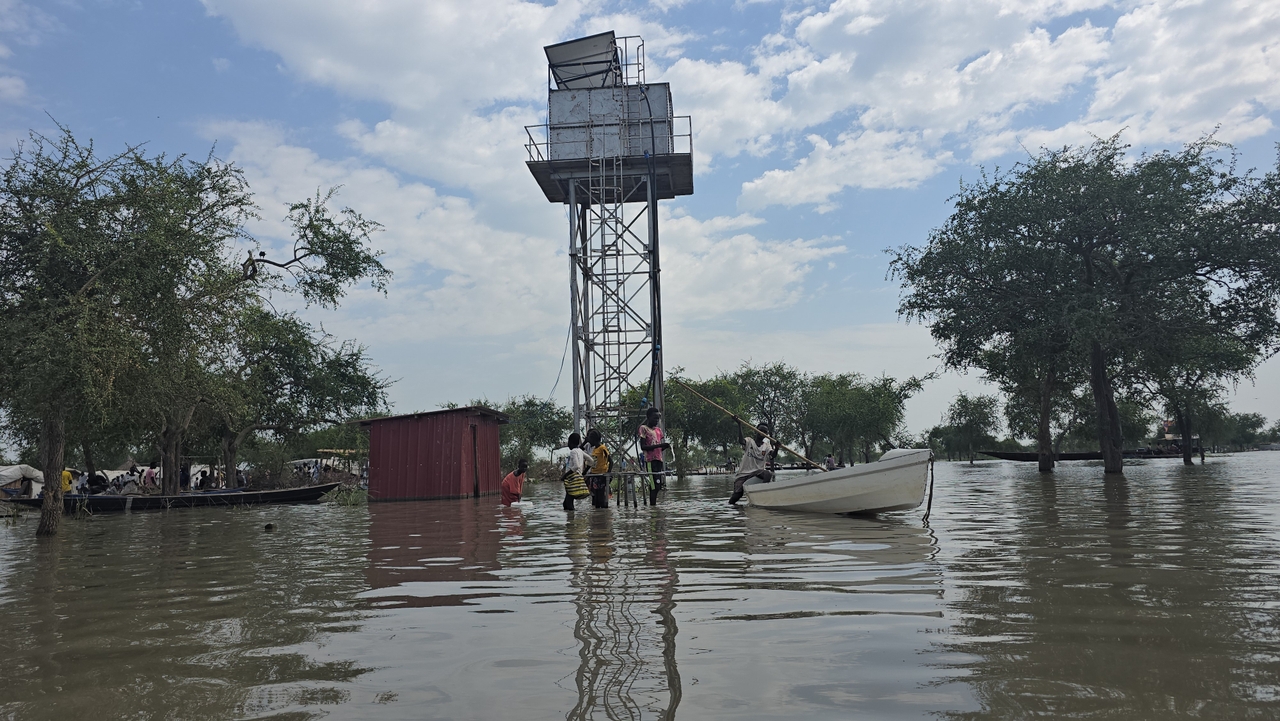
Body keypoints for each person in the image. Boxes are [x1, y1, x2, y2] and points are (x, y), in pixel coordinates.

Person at [729, 421, 776, 505]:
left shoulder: (767, 446)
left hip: (758, 473)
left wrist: (777, 448)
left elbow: (773, 455)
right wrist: (739, 425)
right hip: (744, 474)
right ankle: (730, 506)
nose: (762, 433)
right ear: (756, 430)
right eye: (761, 430)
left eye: (765, 432)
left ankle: (763, 495)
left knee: (768, 474)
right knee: (736, 496)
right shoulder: (749, 441)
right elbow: (741, 441)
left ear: (767, 434)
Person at [637, 408, 670, 505]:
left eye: (658, 419)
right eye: (654, 418)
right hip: (650, 461)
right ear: (648, 417)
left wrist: (663, 447)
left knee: (659, 485)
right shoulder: (643, 429)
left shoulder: (658, 430)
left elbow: (658, 448)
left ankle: (654, 507)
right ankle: (652, 506)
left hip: (659, 460)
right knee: (653, 486)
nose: (656, 421)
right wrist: (659, 446)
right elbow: (643, 447)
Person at [561, 432, 591, 511]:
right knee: (567, 502)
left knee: (569, 501)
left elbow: (576, 466)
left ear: (570, 442)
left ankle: (572, 520)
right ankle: (570, 518)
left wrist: (565, 475)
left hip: (572, 477)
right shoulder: (580, 451)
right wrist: (584, 471)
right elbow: (591, 460)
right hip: (578, 476)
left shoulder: (573, 452)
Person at [586, 429, 611, 508]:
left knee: (601, 496)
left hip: (601, 475)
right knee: (595, 497)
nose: (588, 441)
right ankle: (598, 516)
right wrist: (585, 472)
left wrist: (608, 473)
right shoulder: (594, 449)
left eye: (590, 438)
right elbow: (593, 463)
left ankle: (603, 514)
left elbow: (611, 461)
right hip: (594, 475)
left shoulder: (602, 448)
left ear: (594, 439)